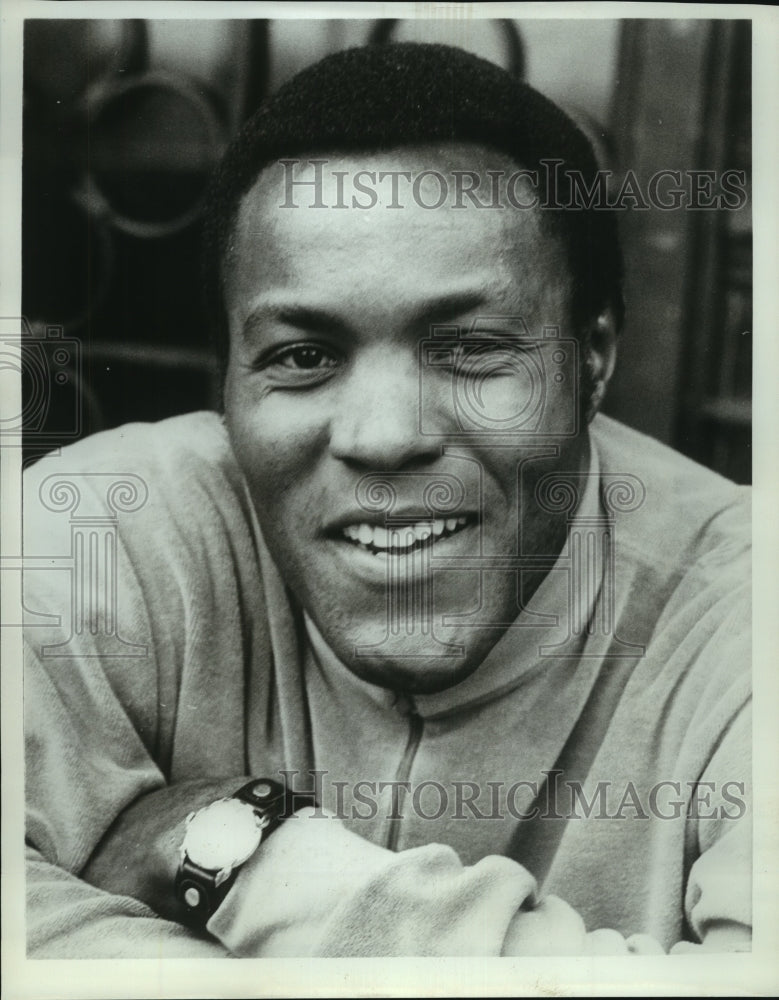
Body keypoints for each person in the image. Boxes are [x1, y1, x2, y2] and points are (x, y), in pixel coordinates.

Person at [23, 42, 750, 958]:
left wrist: (247, 854)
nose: (381, 436)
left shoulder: (741, 615)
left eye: (469, 348)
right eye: (302, 356)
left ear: (592, 358)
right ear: (229, 385)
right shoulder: (101, 535)